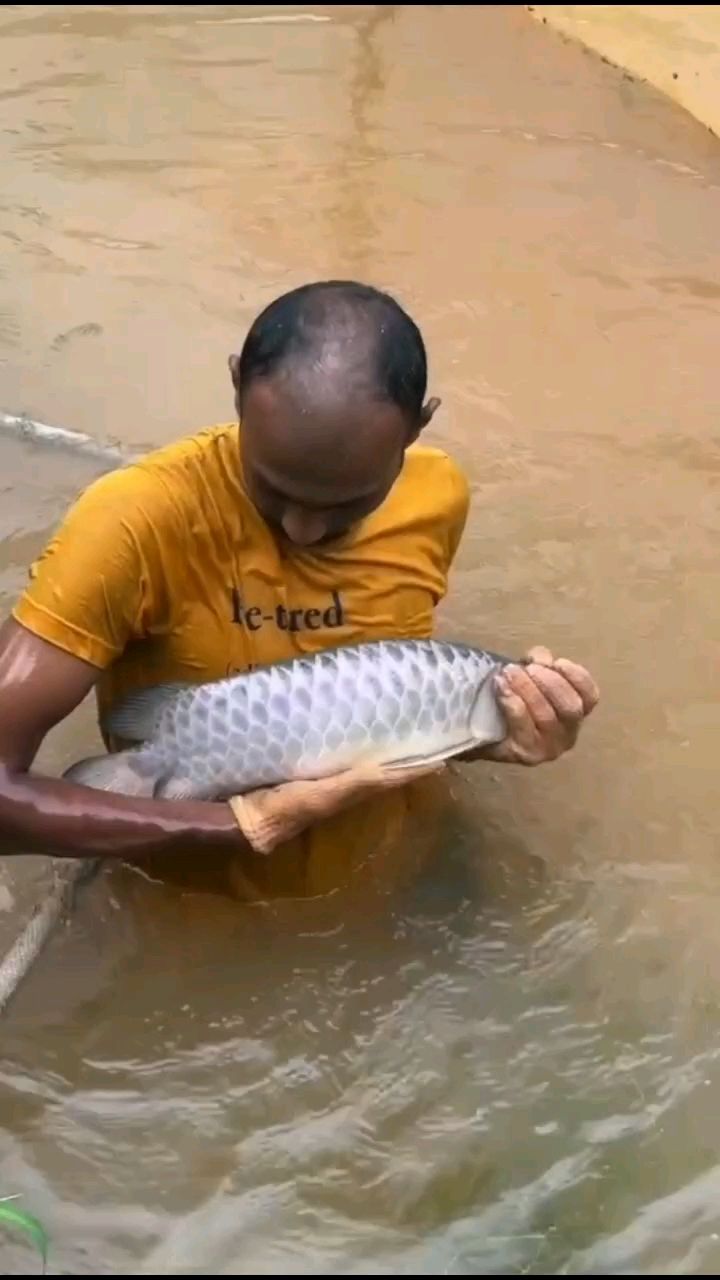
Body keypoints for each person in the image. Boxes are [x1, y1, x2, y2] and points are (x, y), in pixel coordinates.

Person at [0, 281, 598, 900]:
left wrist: (502, 731)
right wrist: (243, 827)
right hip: (201, 904)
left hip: (388, 872)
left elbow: (384, 708)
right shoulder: (131, 522)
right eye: (274, 488)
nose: (302, 528)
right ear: (236, 387)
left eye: (349, 502)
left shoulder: (438, 495)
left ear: (418, 428)